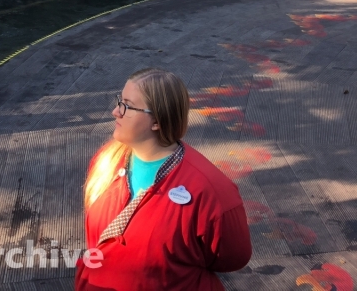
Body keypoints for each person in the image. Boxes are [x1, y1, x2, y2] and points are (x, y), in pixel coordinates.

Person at [76, 68, 252, 290]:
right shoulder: (106, 162)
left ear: (157, 121)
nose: (115, 111)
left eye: (127, 106)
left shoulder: (211, 192)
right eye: (120, 101)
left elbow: (234, 258)